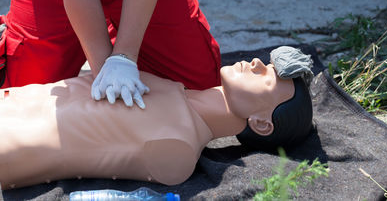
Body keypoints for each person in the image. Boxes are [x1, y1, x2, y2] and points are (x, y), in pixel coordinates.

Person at [0, 55, 313, 190]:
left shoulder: (177, 151)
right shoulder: (176, 91)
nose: (257, 63)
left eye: (267, 77)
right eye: (268, 65)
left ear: (261, 124)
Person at [0, 0, 221, 108]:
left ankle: (121, 36)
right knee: (23, 97)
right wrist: (104, 75)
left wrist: (124, 58)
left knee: (200, 89)